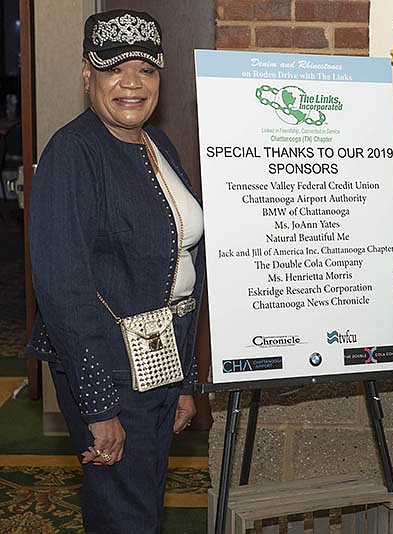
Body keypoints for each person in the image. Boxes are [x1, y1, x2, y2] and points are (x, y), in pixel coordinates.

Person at [26, 10, 205, 533]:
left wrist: (184, 382)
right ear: (88, 75)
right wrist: (98, 406)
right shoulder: (72, 152)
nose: (131, 82)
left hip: (157, 362)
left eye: (145, 69)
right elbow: (63, 290)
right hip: (106, 369)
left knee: (143, 508)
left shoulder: (158, 144)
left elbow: (180, 266)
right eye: (113, 69)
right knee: (123, 516)